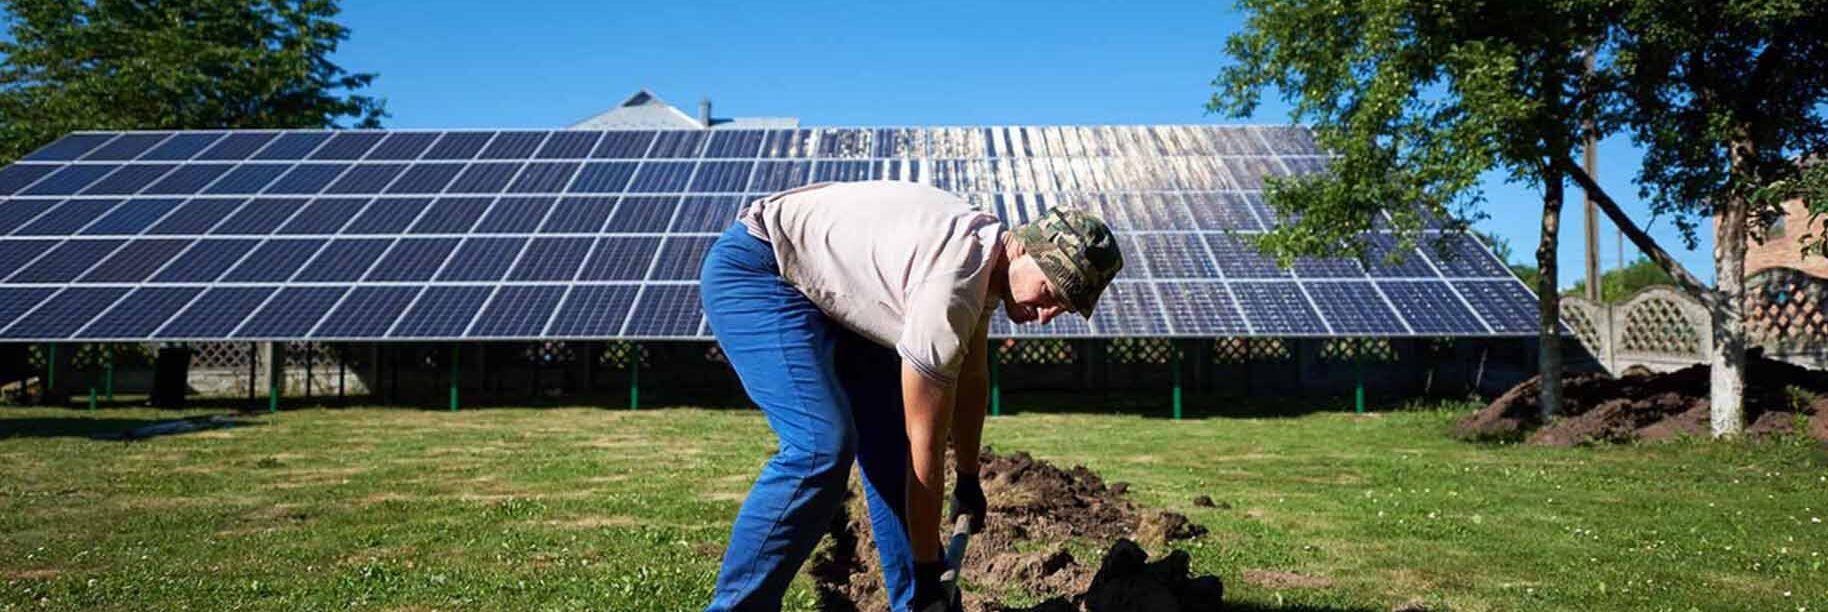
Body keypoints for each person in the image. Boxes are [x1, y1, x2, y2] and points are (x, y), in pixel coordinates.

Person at [700, 180, 1123, 611]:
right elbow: (928, 448)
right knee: (821, 446)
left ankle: (918, 602)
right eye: (1052, 292)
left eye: (1064, 307)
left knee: (888, 447)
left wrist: (970, 479)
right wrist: (926, 571)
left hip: (835, 289)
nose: (1048, 315)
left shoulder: (988, 260)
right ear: (1025, 250)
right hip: (760, 268)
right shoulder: (952, 287)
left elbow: (973, 380)